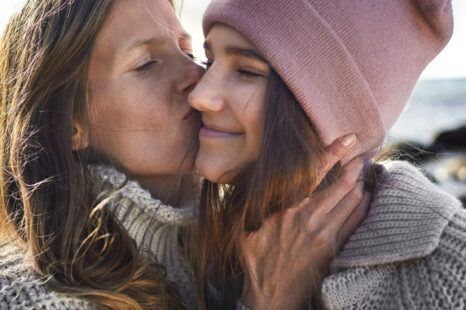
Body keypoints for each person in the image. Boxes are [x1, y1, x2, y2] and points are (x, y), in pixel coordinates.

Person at [0, 0, 366, 309]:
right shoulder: (25, 296)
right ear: (67, 124)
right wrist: (269, 298)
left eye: (189, 52)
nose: (196, 75)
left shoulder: (239, 249)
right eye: (145, 64)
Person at [189, 0, 466, 309]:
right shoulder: (202, 245)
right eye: (209, 61)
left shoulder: (451, 275)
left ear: (338, 111)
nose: (199, 96)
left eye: (246, 71)